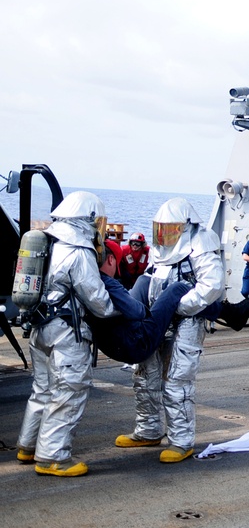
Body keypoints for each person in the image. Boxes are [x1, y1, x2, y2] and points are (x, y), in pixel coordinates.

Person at [114, 197, 225, 464]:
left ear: (185, 227)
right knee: (145, 374)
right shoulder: (159, 251)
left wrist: (177, 307)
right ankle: (148, 429)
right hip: (157, 318)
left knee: (176, 380)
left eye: (169, 229)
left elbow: (212, 285)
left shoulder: (200, 243)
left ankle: (182, 441)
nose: (164, 235)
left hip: (186, 320)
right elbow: (151, 278)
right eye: (161, 229)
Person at [15, 191, 115, 477]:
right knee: (68, 391)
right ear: (88, 220)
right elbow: (97, 300)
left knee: (43, 389)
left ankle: (28, 445)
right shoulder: (78, 251)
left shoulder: (45, 241)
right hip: (67, 334)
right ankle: (52, 457)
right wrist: (115, 311)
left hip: (39, 328)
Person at [92, 240, 249, 364]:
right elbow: (137, 312)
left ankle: (227, 314)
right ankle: (230, 314)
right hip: (137, 342)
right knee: (177, 288)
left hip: (112, 345)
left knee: (144, 280)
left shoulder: (92, 281)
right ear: (111, 260)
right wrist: (153, 309)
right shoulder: (110, 284)